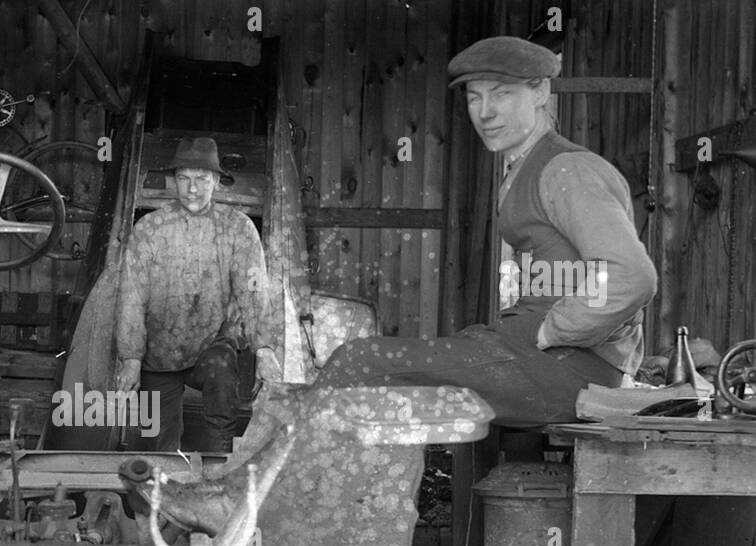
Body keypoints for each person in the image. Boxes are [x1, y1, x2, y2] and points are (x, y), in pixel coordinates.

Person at [316, 36, 658, 426]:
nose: (485, 112)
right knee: (387, 384)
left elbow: (633, 276)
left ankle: (301, 485)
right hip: (542, 355)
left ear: (540, 91)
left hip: (572, 369)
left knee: (360, 361)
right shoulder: (522, 169)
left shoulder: (567, 170)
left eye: (501, 95)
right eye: (474, 98)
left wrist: (553, 329)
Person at [114, 136, 283, 452]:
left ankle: (218, 465)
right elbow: (132, 296)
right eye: (184, 179)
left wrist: (264, 348)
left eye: (201, 179)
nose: (192, 188)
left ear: (217, 181)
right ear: (173, 181)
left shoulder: (238, 228)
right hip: (158, 353)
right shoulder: (150, 229)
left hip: (210, 346)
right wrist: (131, 357)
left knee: (221, 370)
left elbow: (253, 290)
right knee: (158, 446)